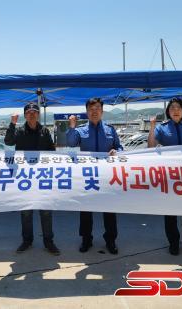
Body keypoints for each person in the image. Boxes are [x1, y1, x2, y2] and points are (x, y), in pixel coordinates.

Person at [66, 97, 122, 254]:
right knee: (85, 209)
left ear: (102, 111)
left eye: (97, 108)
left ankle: (111, 240)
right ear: (87, 112)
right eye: (91, 109)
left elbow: (119, 147)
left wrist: (117, 151)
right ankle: (86, 239)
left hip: (107, 176)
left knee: (109, 210)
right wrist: (72, 126)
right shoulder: (80, 130)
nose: (94, 111)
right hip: (88, 176)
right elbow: (71, 143)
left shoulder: (110, 130)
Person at [4, 103, 60, 255]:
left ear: (38, 114)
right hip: (25, 178)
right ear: (25, 115)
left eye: (34, 112)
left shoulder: (45, 131)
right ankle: (27, 241)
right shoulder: (19, 131)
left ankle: (49, 242)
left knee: (46, 211)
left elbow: (51, 151)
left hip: (42, 176)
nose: (32, 114)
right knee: (26, 211)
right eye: (28, 112)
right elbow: (8, 142)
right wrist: (12, 124)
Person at [148, 97, 182, 256]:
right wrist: (152, 127)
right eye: (172, 108)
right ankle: (173, 243)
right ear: (168, 111)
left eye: (178, 107)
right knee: (170, 213)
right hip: (169, 176)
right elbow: (150, 146)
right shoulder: (162, 128)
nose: (175, 110)